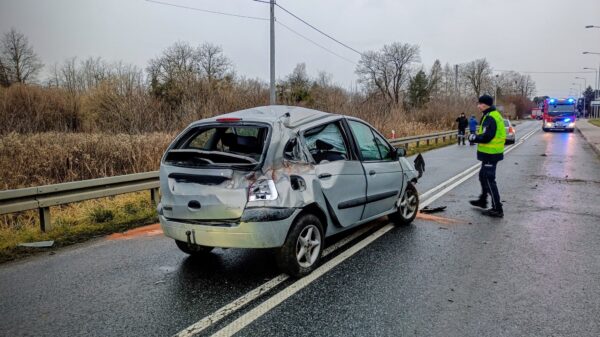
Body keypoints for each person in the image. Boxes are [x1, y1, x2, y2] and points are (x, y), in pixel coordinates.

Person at [468, 94, 506, 218]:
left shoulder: (490, 117)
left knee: (489, 179)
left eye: (479, 103)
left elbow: (487, 136)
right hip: (491, 153)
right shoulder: (492, 115)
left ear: (484, 104)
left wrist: (474, 137)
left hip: (491, 154)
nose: (478, 106)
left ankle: (497, 208)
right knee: (482, 176)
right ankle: (483, 200)